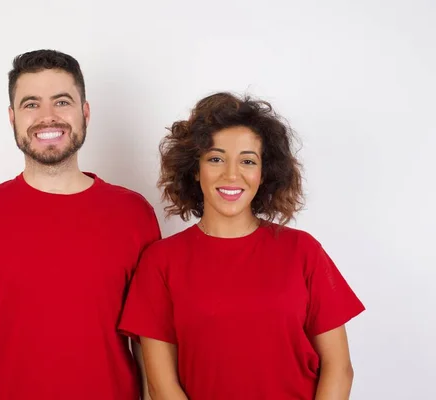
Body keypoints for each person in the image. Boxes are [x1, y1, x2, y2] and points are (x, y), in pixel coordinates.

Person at [0, 49, 160, 400]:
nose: (48, 117)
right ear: (12, 117)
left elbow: (150, 353)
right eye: (31, 104)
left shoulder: (134, 214)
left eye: (62, 101)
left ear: (85, 112)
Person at [118, 92, 365, 399]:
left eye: (248, 161)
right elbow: (161, 384)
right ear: (195, 170)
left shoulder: (302, 251)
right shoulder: (160, 262)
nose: (231, 174)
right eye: (216, 159)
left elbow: (338, 368)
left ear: (264, 173)